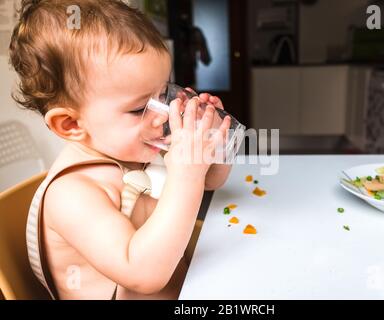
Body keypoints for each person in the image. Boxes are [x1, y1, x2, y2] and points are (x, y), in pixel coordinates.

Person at [9, 0, 231, 300]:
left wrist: (212, 144)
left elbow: (211, 181)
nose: (163, 113)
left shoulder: (131, 148)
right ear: (71, 123)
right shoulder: (72, 194)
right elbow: (143, 274)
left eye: (164, 92)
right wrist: (187, 176)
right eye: (140, 107)